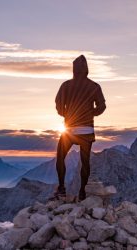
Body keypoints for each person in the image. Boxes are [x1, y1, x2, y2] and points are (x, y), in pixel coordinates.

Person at [54, 55, 106, 201]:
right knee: (85, 161)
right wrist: (91, 114)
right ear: (87, 69)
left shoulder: (66, 86)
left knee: (60, 158)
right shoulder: (94, 86)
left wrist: (67, 115)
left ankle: (62, 189)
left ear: (74, 69)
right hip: (87, 131)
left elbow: (58, 105)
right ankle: (82, 192)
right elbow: (102, 106)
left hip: (69, 130)